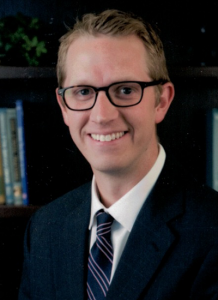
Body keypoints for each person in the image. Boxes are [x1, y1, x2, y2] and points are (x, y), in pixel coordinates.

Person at [18, 9, 218, 300]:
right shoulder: (45, 229)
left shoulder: (211, 231)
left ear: (161, 101)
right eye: (83, 91)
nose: (102, 115)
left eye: (125, 89)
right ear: (63, 106)